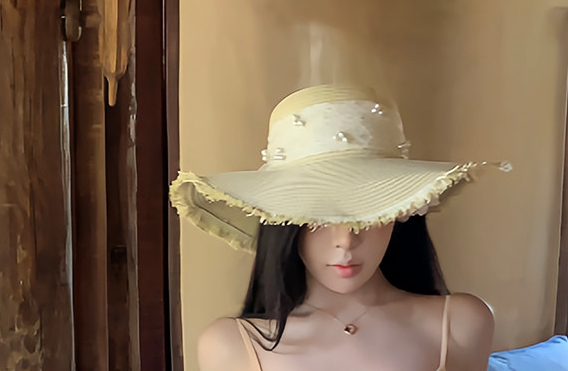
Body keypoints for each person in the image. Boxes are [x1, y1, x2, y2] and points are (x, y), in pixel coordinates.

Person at [170, 84, 506, 371]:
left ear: (403, 212)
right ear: (284, 223)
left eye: (369, 212)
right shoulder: (230, 344)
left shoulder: (460, 323)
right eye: (319, 217)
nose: (346, 241)